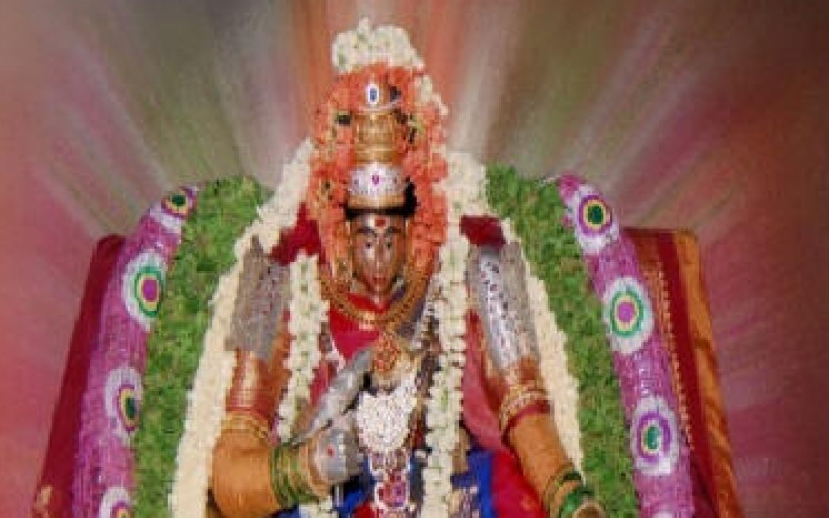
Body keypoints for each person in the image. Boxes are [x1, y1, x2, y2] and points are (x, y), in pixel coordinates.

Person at [208, 71, 606, 518]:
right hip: (330, 495)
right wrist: (310, 466)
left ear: (414, 227)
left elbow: (526, 410)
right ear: (343, 231)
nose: (379, 258)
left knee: (511, 495)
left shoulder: (465, 271)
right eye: (366, 239)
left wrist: (569, 498)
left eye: (391, 238)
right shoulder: (285, 282)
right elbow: (229, 476)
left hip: (441, 489)